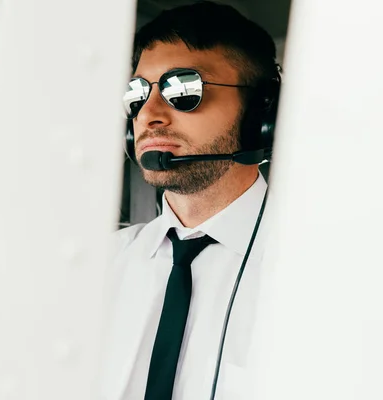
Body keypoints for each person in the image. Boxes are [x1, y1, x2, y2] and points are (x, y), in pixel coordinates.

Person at [99, 2, 281, 399]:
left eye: (183, 89)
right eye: (137, 94)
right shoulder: (97, 267)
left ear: (260, 115)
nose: (149, 114)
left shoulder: (315, 273)